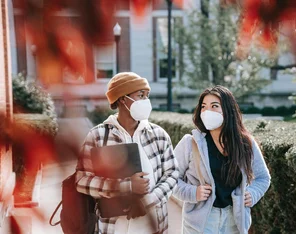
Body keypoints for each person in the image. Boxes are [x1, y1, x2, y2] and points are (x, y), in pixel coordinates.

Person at [76, 72, 179, 234]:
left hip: (153, 223)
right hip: (113, 226)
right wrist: (126, 186)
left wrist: (149, 200)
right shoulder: (98, 136)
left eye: (147, 96)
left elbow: (172, 174)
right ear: (122, 99)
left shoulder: (159, 134)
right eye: (140, 95)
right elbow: (81, 180)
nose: (146, 101)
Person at [173, 85, 271, 234]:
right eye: (203, 107)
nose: (207, 112)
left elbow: (263, 178)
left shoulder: (246, 143)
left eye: (214, 106)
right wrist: (193, 192)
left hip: (234, 220)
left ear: (228, 110)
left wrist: (253, 194)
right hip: (201, 223)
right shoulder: (190, 143)